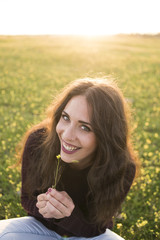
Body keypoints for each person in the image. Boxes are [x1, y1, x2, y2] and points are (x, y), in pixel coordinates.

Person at [0, 78, 138, 240]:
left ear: (106, 136)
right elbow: (27, 199)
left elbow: (97, 228)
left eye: (85, 127)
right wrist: (44, 208)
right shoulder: (38, 141)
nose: (67, 135)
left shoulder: (122, 166)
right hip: (39, 229)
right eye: (65, 118)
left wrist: (68, 215)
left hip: (86, 235)